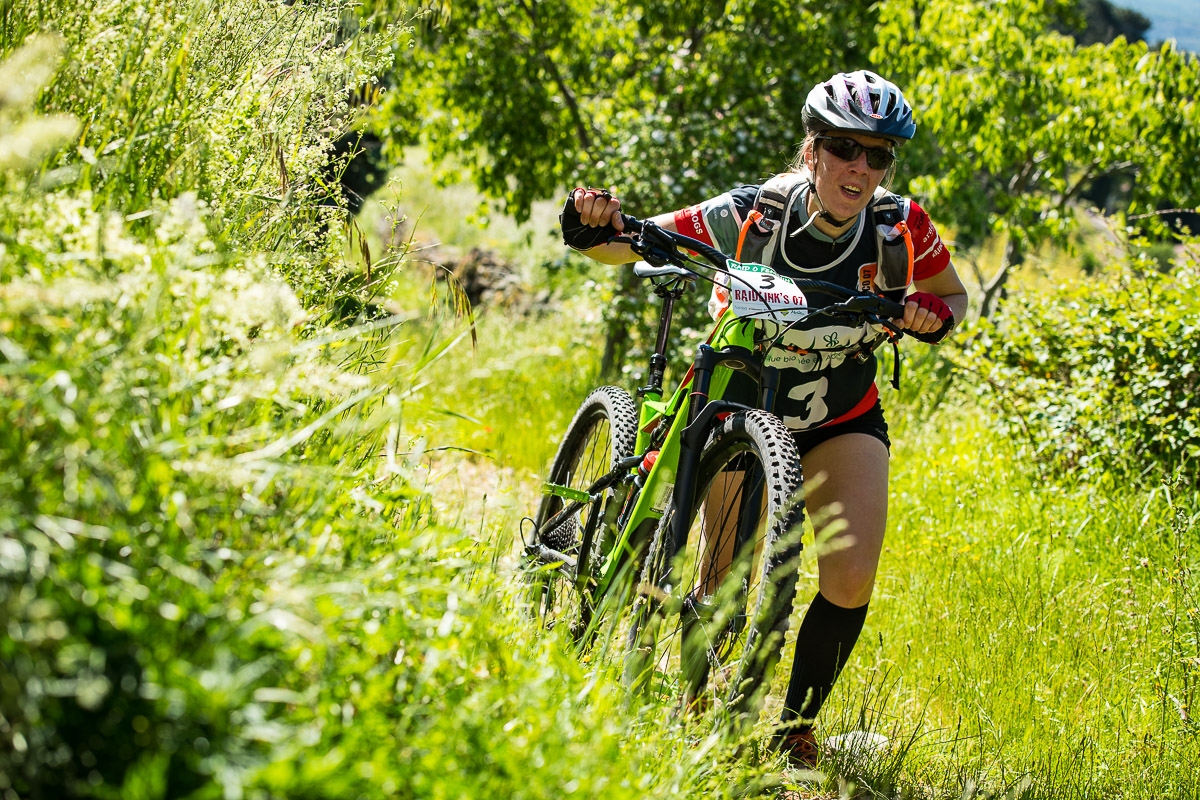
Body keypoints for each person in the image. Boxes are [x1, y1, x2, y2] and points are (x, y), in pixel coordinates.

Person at [558, 70, 968, 768]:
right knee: (723, 584)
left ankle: (794, 729)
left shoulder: (901, 229)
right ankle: (692, 714)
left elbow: (952, 295)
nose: (861, 167)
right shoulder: (754, 214)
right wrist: (588, 223)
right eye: (844, 147)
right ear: (810, 151)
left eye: (878, 156)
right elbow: (633, 242)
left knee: (850, 578)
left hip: (842, 411)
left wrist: (931, 317)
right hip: (744, 406)